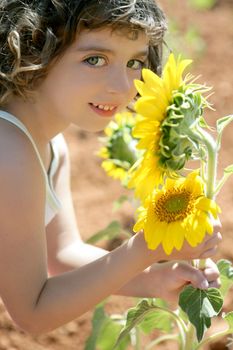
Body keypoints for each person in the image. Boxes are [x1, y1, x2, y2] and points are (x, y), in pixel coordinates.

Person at [0, 0, 222, 335]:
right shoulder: (9, 152)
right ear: (35, 46)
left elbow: (62, 254)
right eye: (95, 59)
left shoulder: (48, 145)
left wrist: (153, 279)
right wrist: (147, 248)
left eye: (135, 62)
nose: (122, 86)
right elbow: (32, 312)